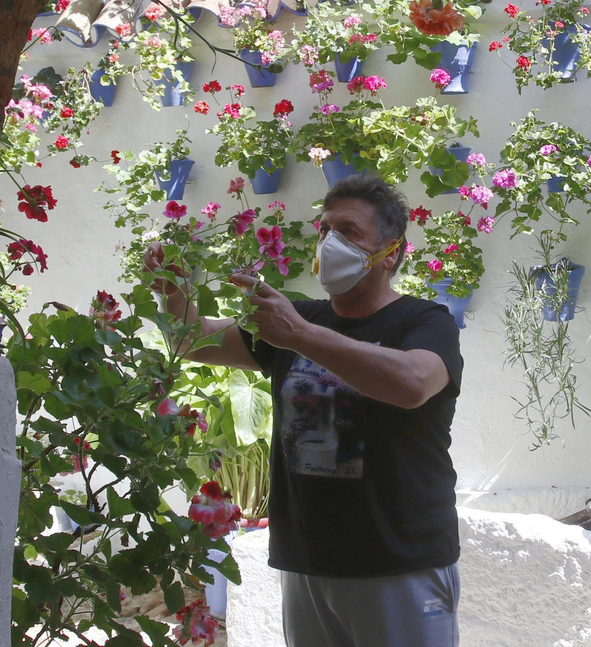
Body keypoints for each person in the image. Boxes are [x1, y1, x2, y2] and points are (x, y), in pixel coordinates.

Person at [145, 174, 463, 647]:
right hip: (307, 563)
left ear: (391, 253)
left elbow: (414, 383)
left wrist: (297, 334)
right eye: (325, 229)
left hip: (400, 563)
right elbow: (193, 341)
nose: (330, 242)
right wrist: (171, 290)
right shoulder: (300, 319)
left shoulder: (423, 320)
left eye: (349, 231)